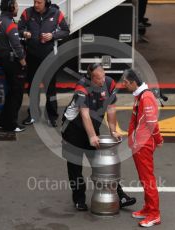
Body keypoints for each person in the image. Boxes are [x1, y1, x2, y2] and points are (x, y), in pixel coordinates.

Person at [61, 63, 136, 211]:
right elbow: (85, 115)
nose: (101, 81)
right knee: (75, 166)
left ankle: (120, 196)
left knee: (102, 164)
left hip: (91, 127)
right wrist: (92, 136)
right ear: (90, 78)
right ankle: (79, 199)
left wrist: (113, 130)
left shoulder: (109, 83)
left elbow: (111, 108)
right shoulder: (81, 87)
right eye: (98, 79)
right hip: (72, 129)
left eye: (103, 77)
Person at [122, 69, 163, 227]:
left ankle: (154, 214)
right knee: (144, 179)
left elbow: (152, 123)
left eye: (126, 82)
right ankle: (148, 209)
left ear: (133, 82)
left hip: (144, 145)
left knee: (148, 180)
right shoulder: (140, 96)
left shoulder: (146, 98)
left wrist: (159, 140)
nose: (124, 85)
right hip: (138, 144)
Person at [18, 0, 70, 127]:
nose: (36, 5)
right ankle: (33, 115)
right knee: (33, 87)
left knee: (50, 88)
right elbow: (18, 29)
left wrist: (52, 36)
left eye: (39, 2)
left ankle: (52, 117)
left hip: (49, 57)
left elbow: (66, 31)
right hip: (32, 56)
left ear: (46, 2)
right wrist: (25, 33)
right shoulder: (27, 13)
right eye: (35, 2)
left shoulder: (56, 13)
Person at [0, 0, 27, 132]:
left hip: (3, 60)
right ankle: (11, 125)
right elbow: (16, 46)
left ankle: (3, 122)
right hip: (13, 63)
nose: (18, 8)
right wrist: (23, 62)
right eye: (16, 5)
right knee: (16, 94)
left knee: (11, 92)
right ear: (11, 7)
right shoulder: (10, 24)